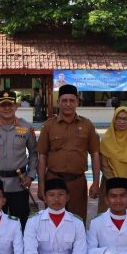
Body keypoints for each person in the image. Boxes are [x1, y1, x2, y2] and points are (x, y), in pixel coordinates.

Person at [36, 84, 101, 222]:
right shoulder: (48, 126)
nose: (68, 104)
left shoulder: (87, 125)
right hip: (53, 180)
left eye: (71, 101)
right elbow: (42, 156)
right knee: (52, 221)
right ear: (58, 102)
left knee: (78, 220)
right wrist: (41, 184)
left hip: (77, 182)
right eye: (64, 101)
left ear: (77, 102)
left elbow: (95, 154)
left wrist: (96, 182)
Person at [0, 90, 38, 229]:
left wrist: (30, 175)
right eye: (3, 105)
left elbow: (34, 153)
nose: (7, 108)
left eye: (10, 105)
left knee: (21, 223)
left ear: (16, 106)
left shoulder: (26, 127)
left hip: (19, 183)